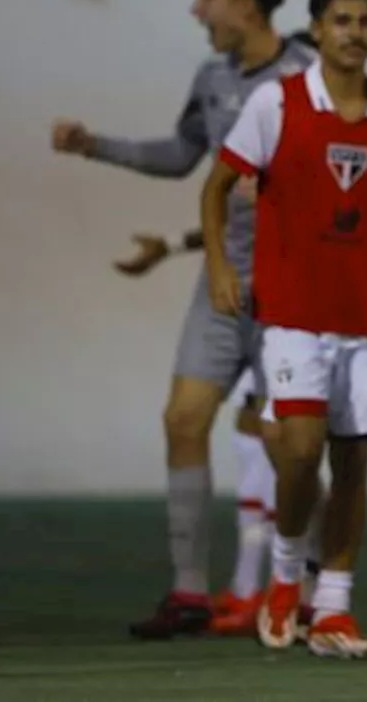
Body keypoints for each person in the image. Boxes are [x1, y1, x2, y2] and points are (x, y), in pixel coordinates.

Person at [49, 0, 315, 639]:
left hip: (297, 285)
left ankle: (306, 586)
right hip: (224, 281)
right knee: (183, 419)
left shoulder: (308, 74)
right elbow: (181, 155)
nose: (197, 9)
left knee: (293, 437)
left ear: (248, 3)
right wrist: (94, 145)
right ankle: (191, 592)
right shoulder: (212, 76)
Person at [202, 0, 367, 659]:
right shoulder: (277, 104)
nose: (355, 33)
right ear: (316, 29)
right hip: (293, 315)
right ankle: (286, 576)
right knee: (302, 448)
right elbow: (218, 186)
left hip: (366, 319)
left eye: (366, 21)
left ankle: (333, 606)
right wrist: (223, 267)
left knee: (353, 461)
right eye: (342, 20)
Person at [111, 223, 278, 634]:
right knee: (190, 420)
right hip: (227, 302)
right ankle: (200, 592)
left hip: (288, 302)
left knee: (288, 445)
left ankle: (307, 592)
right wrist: (170, 244)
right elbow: (231, 212)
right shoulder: (232, 161)